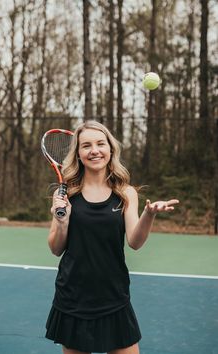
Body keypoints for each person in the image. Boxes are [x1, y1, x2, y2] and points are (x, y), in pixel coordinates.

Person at [45, 120, 179, 354]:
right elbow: (56, 248)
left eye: (100, 143)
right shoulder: (65, 193)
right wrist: (62, 221)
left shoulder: (125, 193)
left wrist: (148, 214)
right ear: (78, 153)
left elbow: (135, 242)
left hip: (113, 294)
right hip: (73, 295)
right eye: (86, 145)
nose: (94, 150)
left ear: (110, 149)